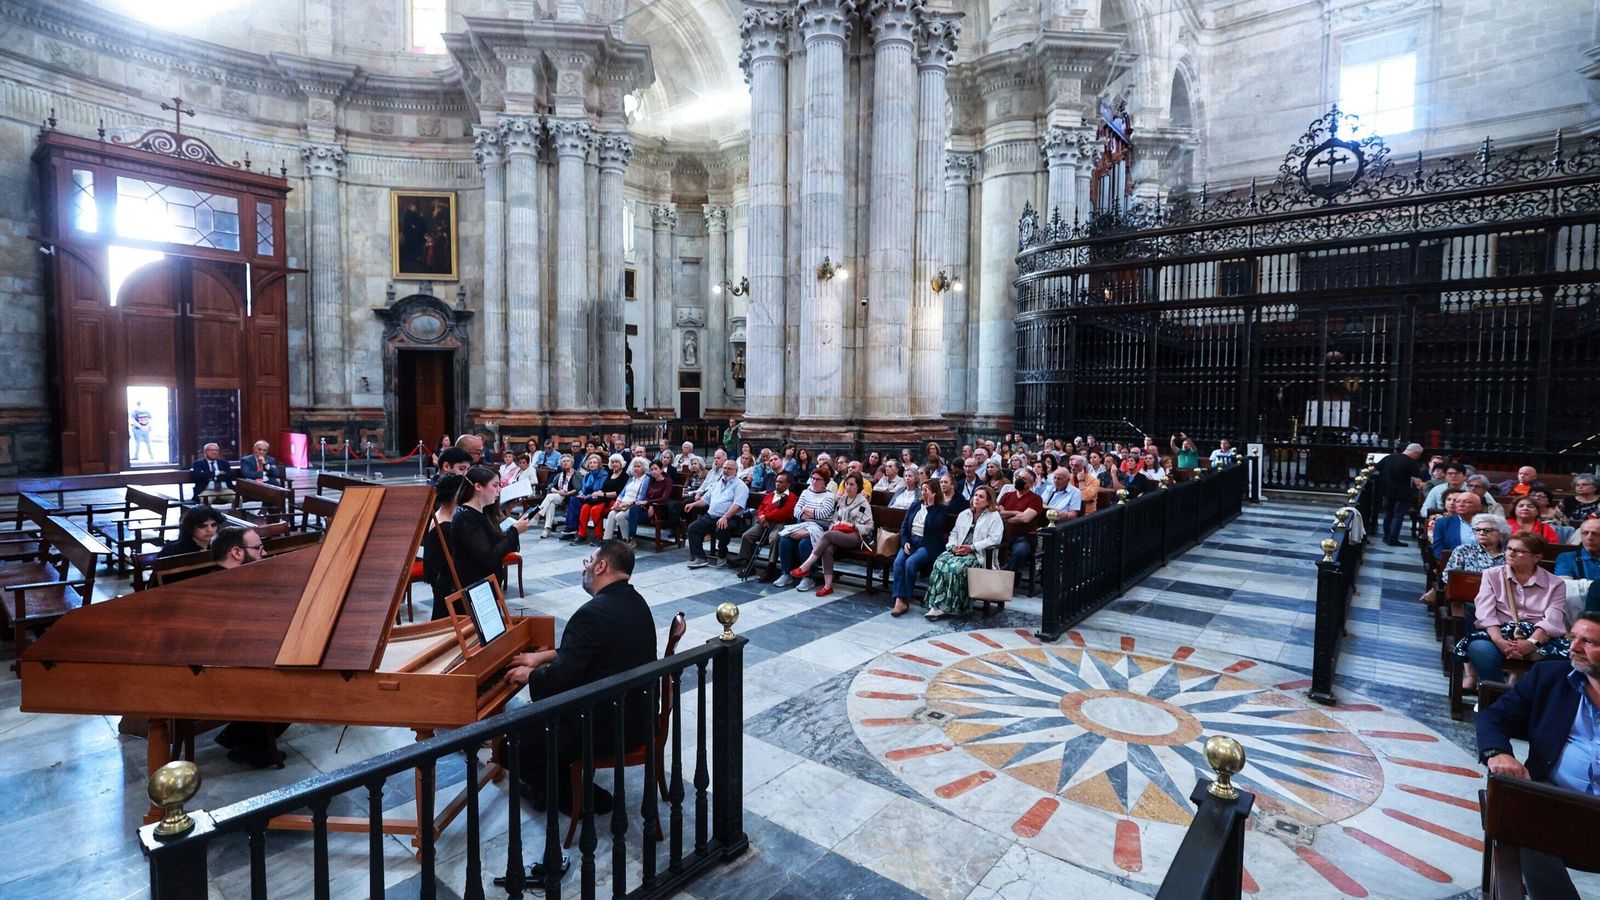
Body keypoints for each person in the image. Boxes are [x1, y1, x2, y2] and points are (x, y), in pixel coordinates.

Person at [504, 541, 656, 816]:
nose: (585, 566)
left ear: (601, 566)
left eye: (589, 560)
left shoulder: (592, 614)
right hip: (637, 714)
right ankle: (559, 783)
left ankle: (574, 797)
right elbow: (597, 650)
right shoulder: (634, 601)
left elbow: (560, 681)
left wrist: (531, 676)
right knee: (536, 726)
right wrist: (544, 656)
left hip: (607, 726)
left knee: (514, 738)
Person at [1475, 612, 1600, 899]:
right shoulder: (1550, 678)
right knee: (1521, 815)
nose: (1574, 647)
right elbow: (1493, 717)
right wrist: (1498, 753)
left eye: (1589, 642)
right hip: (1554, 802)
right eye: (1573, 638)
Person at [1455, 531, 1570, 685]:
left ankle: (1529, 698)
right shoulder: (1492, 575)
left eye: (1519, 551)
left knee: (1566, 658)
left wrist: (1530, 643)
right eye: (1509, 548)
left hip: (1538, 636)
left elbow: (1552, 620)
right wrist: (1499, 641)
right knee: (1480, 648)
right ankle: (1495, 695)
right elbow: (1486, 613)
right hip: (1500, 631)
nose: (1510, 553)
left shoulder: (1555, 584)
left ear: (1537, 557)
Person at [922, 485, 1004, 621]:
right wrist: (952, 546)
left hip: (978, 554)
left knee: (955, 568)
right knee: (940, 562)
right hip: (959, 550)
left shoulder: (994, 517)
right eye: (975, 496)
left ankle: (954, 606)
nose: (976, 499)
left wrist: (971, 547)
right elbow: (954, 533)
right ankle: (936, 605)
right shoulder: (964, 514)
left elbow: (994, 539)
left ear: (989, 501)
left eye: (981, 496)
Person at [788, 472, 873, 595]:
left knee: (827, 535)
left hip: (856, 536)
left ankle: (806, 566)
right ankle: (828, 585)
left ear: (858, 486)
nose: (848, 487)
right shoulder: (843, 500)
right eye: (847, 484)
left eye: (852, 484)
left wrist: (852, 525)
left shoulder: (863, 502)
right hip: (840, 533)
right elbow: (834, 519)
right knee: (827, 548)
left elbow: (869, 526)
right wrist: (836, 525)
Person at [450, 465, 529, 589]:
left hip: (488, 581)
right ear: (478, 487)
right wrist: (515, 531)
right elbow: (489, 556)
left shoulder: (483, 511)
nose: (499, 490)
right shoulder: (466, 517)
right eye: (495, 485)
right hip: (474, 584)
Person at [890, 481, 955, 617]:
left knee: (910, 563)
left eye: (926, 490)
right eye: (922, 489)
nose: (922, 492)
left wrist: (930, 506)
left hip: (928, 544)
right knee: (898, 562)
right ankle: (898, 598)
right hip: (911, 541)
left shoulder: (941, 509)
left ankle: (905, 598)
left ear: (934, 493)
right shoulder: (915, 506)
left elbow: (935, 526)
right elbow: (904, 526)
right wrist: (905, 541)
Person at [774, 470, 837, 587]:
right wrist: (809, 512)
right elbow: (796, 512)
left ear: (825, 482)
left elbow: (822, 514)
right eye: (813, 478)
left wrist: (806, 509)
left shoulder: (829, 496)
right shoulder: (805, 492)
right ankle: (786, 573)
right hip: (802, 524)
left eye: (818, 479)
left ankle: (808, 577)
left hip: (820, 528)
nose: (814, 481)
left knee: (804, 543)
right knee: (784, 540)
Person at [685, 459, 750, 568]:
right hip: (712, 515)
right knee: (693, 528)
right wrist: (694, 504)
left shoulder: (741, 486)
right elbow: (706, 499)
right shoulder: (718, 483)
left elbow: (737, 505)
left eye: (729, 469)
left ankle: (722, 554)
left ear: (736, 470)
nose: (726, 470)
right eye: (724, 468)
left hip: (731, 518)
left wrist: (725, 517)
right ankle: (699, 557)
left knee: (722, 527)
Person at [731, 471, 798, 574]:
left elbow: (784, 513)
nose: (778, 484)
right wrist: (761, 517)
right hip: (764, 523)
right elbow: (761, 507)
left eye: (781, 482)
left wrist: (766, 517)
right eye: (777, 482)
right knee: (747, 536)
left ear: (788, 484)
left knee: (774, 538)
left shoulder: (791, 497)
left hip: (780, 523)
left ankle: (771, 566)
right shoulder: (771, 494)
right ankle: (748, 563)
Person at [424, 473, 466, 619]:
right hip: (448, 587)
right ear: (456, 496)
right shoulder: (445, 527)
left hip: (445, 582)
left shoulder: (443, 516)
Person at [1374, 443, 1426, 546]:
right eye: (1418, 455)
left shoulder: (1389, 457)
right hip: (1403, 493)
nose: (1418, 457)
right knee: (1398, 516)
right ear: (1416, 453)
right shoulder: (1411, 463)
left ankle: (1386, 536)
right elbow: (1418, 481)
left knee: (1388, 514)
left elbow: (1375, 469)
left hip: (1387, 491)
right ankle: (1393, 539)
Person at [998, 468, 1045, 576]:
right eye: (1018, 477)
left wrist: (1006, 515)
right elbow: (998, 513)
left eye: (1023, 479)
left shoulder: (1036, 499)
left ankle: (1008, 577)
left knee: (1019, 552)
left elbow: (1025, 519)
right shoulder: (1007, 496)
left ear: (1031, 483)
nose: (1019, 480)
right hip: (1003, 535)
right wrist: (1017, 512)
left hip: (1024, 537)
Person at [1443, 513, 1509, 586]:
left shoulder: (1509, 553)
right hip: (1469, 593)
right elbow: (1448, 577)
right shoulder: (1463, 550)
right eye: (1477, 530)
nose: (1481, 533)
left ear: (1501, 533)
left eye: (1487, 530)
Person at [574, 455, 627, 545]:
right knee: (585, 508)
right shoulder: (610, 473)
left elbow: (618, 493)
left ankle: (599, 536)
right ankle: (581, 534)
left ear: (621, 463)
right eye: (613, 462)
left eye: (616, 462)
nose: (614, 464)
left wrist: (603, 494)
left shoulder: (624, 476)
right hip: (602, 498)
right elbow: (603, 488)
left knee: (595, 510)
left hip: (613, 501)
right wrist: (597, 493)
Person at [559, 454, 608, 541]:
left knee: (575, 501)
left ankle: (572, 527)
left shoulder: (603, 474)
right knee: (574, 499)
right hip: (587, 498)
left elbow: (598, 489)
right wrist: (581, 493)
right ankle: (572, 528)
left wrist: (586, 496)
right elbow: (582, 489)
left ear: (599, 464)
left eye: (595, 463)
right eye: (590, 463)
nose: (592, 464)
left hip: (596, 498)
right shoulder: (587, 475)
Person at [603, 458, 651, 543]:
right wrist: (618, 501)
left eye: (638, 466)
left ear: (644, 468)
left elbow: (641, 497)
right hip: (622, 504)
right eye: (634, 466)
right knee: (611, 514)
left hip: (634, 506)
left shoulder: (646, 480)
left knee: (620, 516)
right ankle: (607, 540)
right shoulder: (631, 479)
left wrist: (624, 504)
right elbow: (622, 493)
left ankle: (628, 540)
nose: (636, 468)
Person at [1431, 490, 1486, 563]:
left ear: (1479, 507)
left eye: (1467, 502)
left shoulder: (1489, 523)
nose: (1461, 504)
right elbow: (1438, 551)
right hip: (1454, 564)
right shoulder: (1443, 523)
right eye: (1458, 501)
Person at [535, 454, 578, 537]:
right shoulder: (559, 475)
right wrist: (558, 491)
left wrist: (567, 493)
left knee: (550, 498)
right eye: (564, 461)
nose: (566, 463)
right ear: (561, 464)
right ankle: (547, 529)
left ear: (572, 463)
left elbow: (578, 488)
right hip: (559, 495)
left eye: (567, 461)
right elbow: (550, 486)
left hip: (570, 497)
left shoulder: (576, 474)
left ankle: (538, 515)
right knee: (551, 503)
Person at [159, 506, 224, 558]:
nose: (209, 530)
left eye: (213, 525)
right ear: (190, 527)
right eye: (203, 526)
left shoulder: (219, 549)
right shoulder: (170, 553)